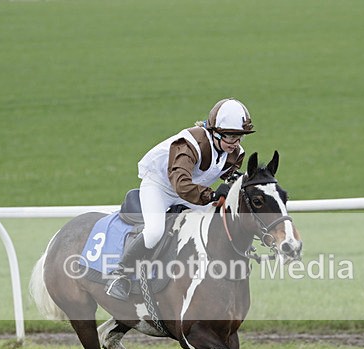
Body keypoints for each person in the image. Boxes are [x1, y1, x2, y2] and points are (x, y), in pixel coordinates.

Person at [106, 98, 255, 300]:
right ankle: (120, 274)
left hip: (190, 192)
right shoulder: (190, 144)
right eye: (230, 136)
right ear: (215, 132)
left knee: (214, 224)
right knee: (154, 232)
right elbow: (181, 184)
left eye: (240, 137)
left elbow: (224, 173)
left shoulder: (235, 152)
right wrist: (211, 195)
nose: (235, 142)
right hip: (160, 188)